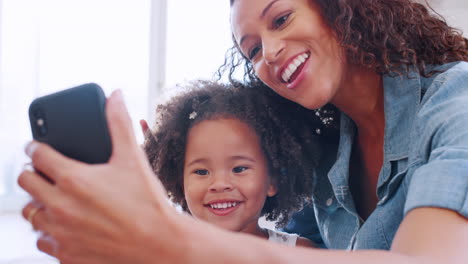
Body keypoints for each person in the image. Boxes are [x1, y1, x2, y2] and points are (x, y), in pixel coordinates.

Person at [18, 0, 468, 263]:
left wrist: (168, 239)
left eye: (281, 19)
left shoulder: (456, 99)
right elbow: (254, 236)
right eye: (251, 50)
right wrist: (152, 188)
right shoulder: (327, 153)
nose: (269, 53)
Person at [142, 80, 326, 247]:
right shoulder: (168, 253)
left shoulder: (300, 254)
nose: (220, 184)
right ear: (180, 181)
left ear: (273, 181)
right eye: (201, 172)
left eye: (239, 169)